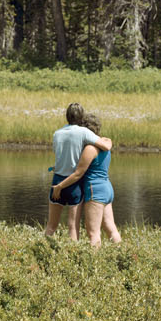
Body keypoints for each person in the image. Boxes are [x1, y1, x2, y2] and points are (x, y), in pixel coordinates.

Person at [45, 102, 94, 240]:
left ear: (66, 116)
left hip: (57, 181)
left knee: (51, 226)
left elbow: (58, 154)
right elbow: (102, 144)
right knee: (73, 226)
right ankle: (73, 256)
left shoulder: (57, 133)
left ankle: (41, 251)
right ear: (81, 117)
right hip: (74, 184)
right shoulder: (84, 132)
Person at [77, 112, 122, 248]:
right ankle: (124, 256)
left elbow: (79, 172)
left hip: (94, 189)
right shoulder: (104, 144)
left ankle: (94, 264)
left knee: (93, 232)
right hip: (106, 188)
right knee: (111, 228)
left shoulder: (90, 148)